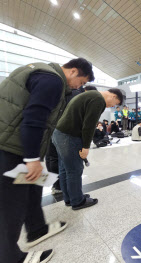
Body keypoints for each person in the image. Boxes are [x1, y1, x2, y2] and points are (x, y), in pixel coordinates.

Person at [0, 57, 95, 263]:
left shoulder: (42, 72)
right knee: (11, 203)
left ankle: (36, 229)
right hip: (9, 147)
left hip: (14, 142)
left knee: (33, 187)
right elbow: (34, 119)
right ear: (73, 71)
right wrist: (32, 158)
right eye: (82, 81)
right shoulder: (53, 80)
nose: (80, 86)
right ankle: (10, 257)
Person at [52, 88, 123, 211]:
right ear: (113, 96)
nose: (112, 106)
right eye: (115, 104)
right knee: (74, 170)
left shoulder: (91, 95)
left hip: (59, 134)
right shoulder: (98, 100)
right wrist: (86, 147)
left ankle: (70, 198)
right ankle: (77, 201)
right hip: (69, 137)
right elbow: (89, 125)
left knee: (65, 169)